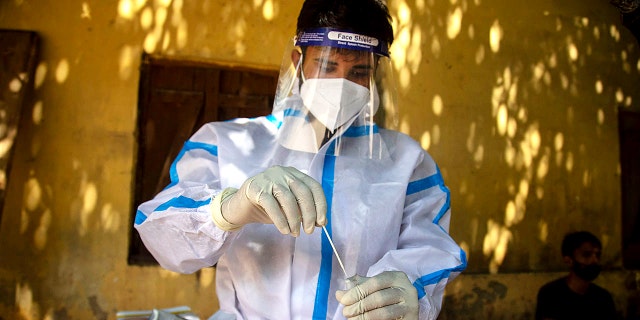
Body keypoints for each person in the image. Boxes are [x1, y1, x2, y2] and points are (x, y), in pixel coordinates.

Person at [134, 0, 467, 319]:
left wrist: (410, 291)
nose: (341, 83)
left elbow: (429, 251)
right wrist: (228, 209)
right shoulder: (226, 143)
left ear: (375, 73)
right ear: (298, 62)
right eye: (327, 65)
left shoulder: (407, 162)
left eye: (359, 72)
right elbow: (161, 237)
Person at [535, 231, 617, 320]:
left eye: (597, 255)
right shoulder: (551, 294)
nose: (594, 260)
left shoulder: (603, 298)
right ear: (569, 260)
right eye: (586, 255)